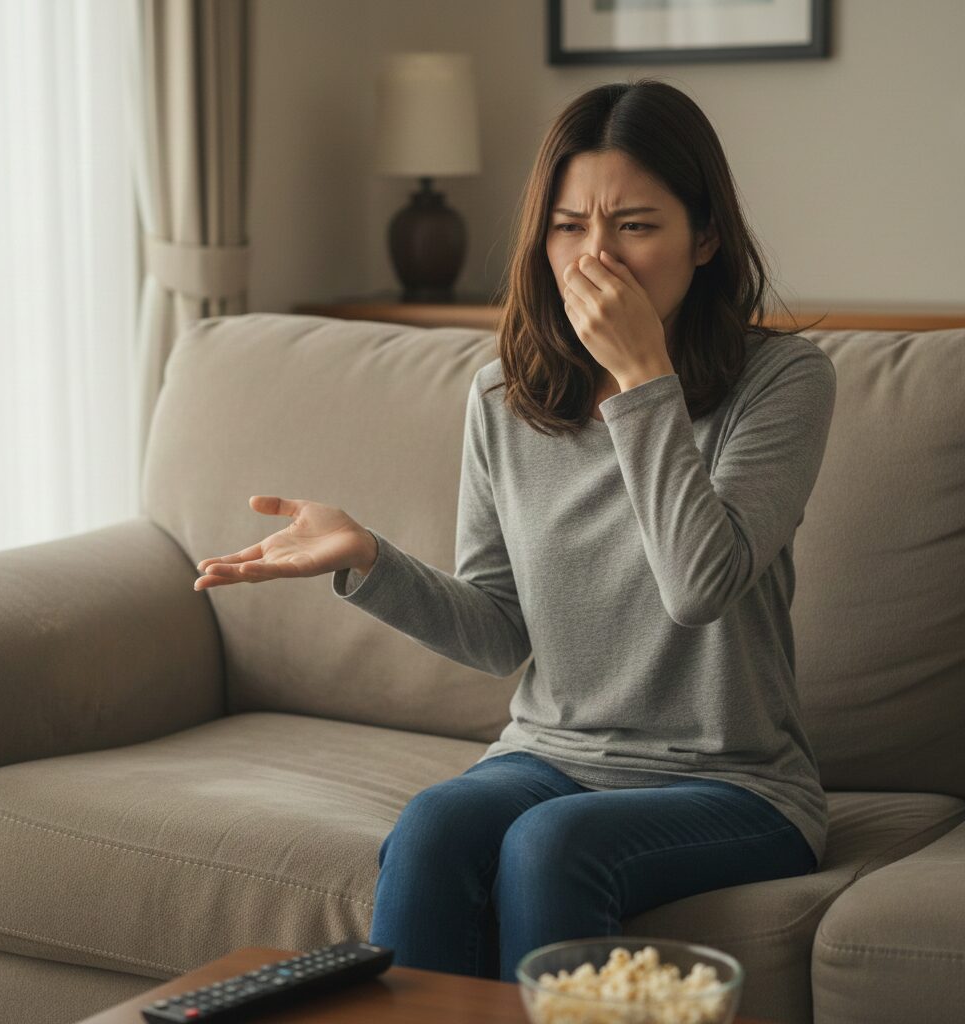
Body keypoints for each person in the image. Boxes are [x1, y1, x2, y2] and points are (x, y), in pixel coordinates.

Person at [193, 79, 837, 985]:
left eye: (636, 226)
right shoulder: (505, 394)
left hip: (734, 781)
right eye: (570, 226)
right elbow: (501, 633)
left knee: (547, 846)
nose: (596, 258)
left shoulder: (784, 383)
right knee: (433, 826)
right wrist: (369, 559)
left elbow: (699, 586)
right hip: (549, 752)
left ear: (706, 237)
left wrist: (641, 376)